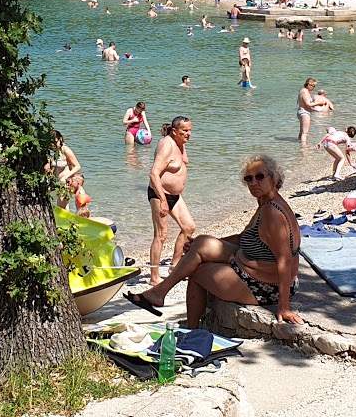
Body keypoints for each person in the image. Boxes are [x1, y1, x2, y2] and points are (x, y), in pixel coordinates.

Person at [125, 154, 302, 328]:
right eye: (249, 178)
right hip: (251, 267)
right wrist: (202, 245)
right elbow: (243, 238)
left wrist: (283, 307)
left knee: (196, 273)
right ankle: (160, 294)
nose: (254, 183)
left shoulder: (272, 212)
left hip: (266, 286)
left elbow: (285, 260)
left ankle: (189, 329)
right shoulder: (266, 204)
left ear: (274, 178)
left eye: (260, 177)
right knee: (201, 242)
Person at [145, 116, 196, 283]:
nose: (189, 134)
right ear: (175, 132)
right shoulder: (166, 146)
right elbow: (153, 174)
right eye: (185, 131)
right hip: (161, 194)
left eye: (190, 130)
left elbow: (182, 162)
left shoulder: (179, 143)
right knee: (161, 235)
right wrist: (163, 201)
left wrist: (182, 141)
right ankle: (154, 277)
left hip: (176, 195)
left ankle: (175, 265)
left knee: (189, 227)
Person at [47, 130, 82, 208]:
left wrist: (65, 177)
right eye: (51, 142)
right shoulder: (53, 152)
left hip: (65, 183)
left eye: (55, 142)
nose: (53, 145)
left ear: (61, 139)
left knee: (61, 207)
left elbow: (77, 166)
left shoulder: (65, 150)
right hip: (55, 183)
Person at [296, 78, 321, 143]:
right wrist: (319, 103)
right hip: (304, 113)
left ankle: (299, 145)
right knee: (305, 133)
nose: (314, 88)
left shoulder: (303, 91)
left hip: (302, 112)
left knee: (301, 132)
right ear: (309, 85)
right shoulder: (305, 91)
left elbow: (306, 105)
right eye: (313, 86)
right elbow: (308, 104)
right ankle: (304, 148)